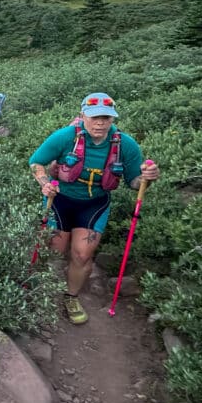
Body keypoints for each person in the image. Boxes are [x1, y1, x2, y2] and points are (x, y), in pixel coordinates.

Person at [28, 92, 160, 324]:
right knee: (55, 250)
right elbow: (36, 162)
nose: (100, 122)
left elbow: (134, 182)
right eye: (94, 117)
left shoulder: (125, 145)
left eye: (106, 118)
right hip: (60, 200)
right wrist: (44, 182)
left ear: (113, 119)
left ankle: (71, 296)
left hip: (95, 204)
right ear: (82, 116)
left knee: (82, 254)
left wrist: (147, 178)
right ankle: (42, 290)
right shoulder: (65, 137)